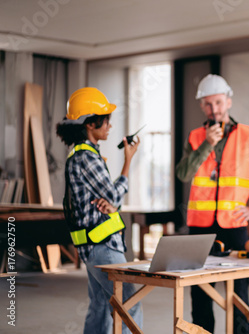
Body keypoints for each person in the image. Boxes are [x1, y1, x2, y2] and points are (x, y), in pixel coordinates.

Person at [176, 74, 249, 333]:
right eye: (207, 104)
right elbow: (183, 174)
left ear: (228, 102)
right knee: (200, 295)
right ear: (202, 106)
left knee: (239, 295)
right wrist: (207, 145)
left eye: (217, 102)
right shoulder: (195, 137)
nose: (213, 109)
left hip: (235, 227)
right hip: (199, 228)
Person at [56, 87, 143, 334]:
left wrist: (113, 202)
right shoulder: (87, 157)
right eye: (106, 121)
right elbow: (114, 195)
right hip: (102, 244)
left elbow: (112, 201)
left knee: (101, 306)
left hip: (93, 245)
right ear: (90, 124)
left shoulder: (84, 154)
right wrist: (128, 161)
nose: (110, 127)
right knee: (129, 303)